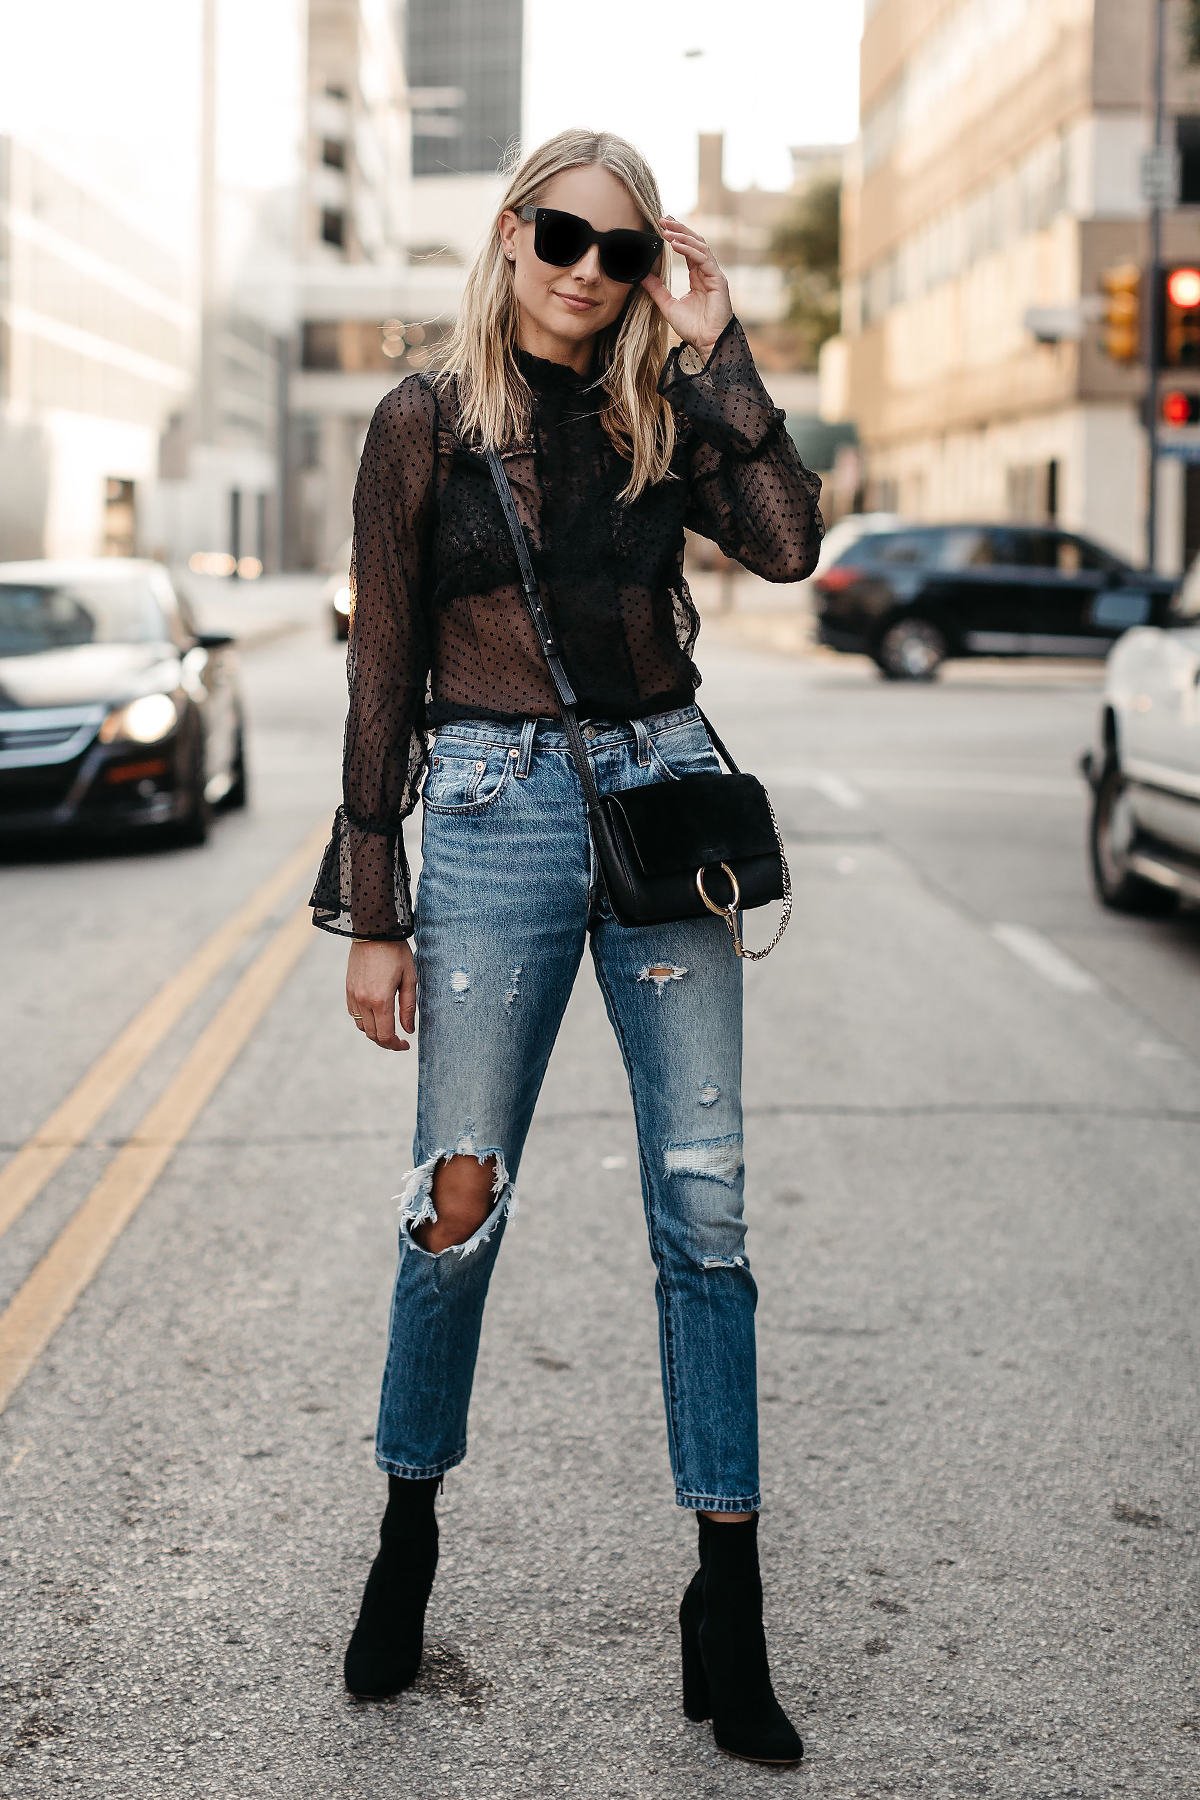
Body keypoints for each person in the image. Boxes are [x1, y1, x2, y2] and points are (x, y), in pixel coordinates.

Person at [310, 128, 823, 1766]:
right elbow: (383, 666)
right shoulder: (423, 423)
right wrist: (371, 907)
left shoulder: (659, 407)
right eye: (563, 238)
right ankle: (407, 1537)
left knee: (706, 1207)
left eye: (620, 253)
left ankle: (725, 1606)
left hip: (660, 804)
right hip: (486, 810)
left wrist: (718, 345)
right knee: (456, 1203)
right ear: (511, 230)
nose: (587, 275)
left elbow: (792, 541)